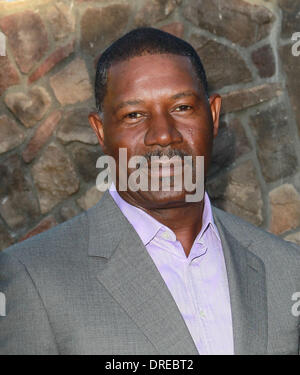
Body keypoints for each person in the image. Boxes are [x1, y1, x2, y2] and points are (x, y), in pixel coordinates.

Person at [0, 27, 299, 355]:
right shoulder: (34, 277)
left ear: (213, 115)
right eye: (134, 115)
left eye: (182, 107)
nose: (163, 135)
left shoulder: (286, 268)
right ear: (101, 132)